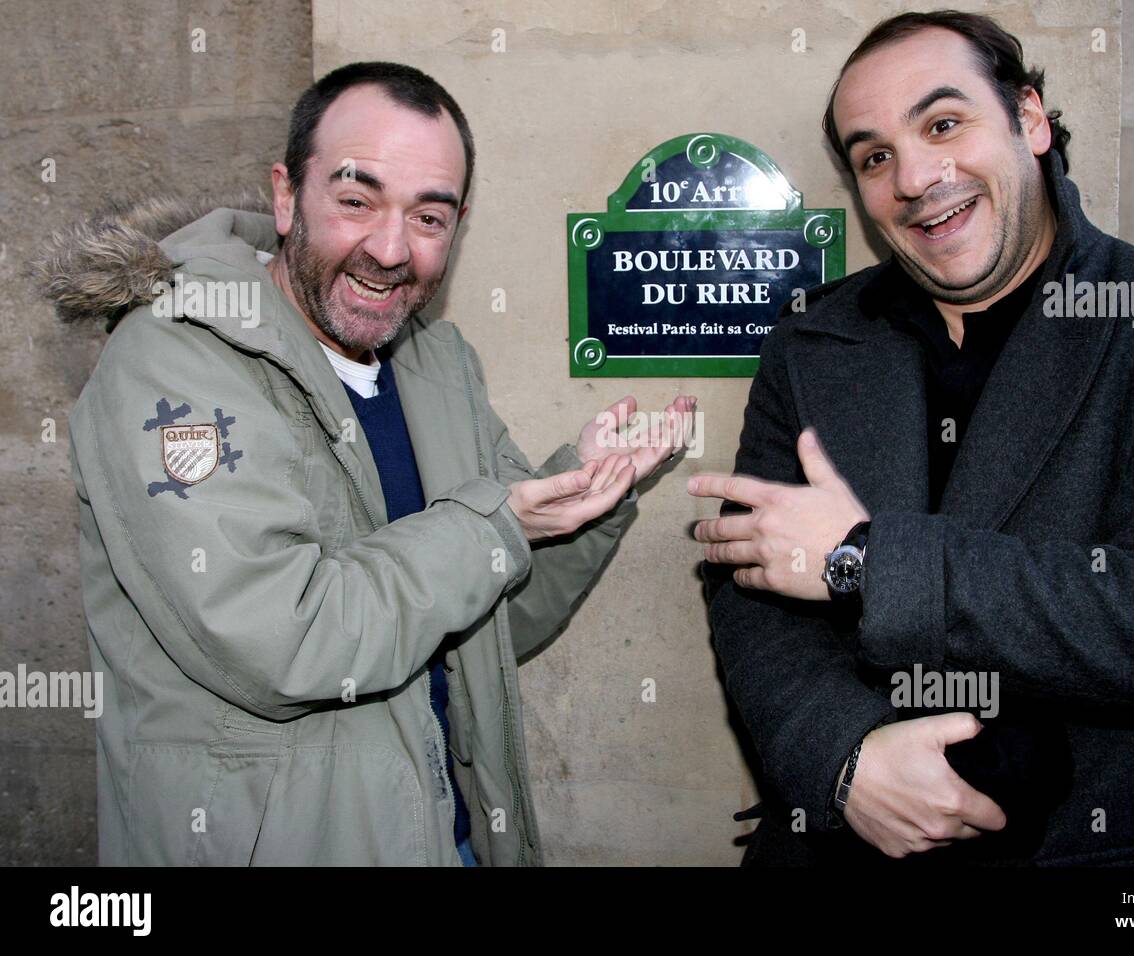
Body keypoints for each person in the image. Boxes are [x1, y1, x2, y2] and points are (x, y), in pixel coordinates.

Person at [42, 61, 694, 866]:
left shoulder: (436, 363)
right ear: (286, 197)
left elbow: (491, 626)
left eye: (429, 217)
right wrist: (496, 520)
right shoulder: (172, 360)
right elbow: (286, 642)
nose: (391, 250)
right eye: (357, 201)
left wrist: (586, 497)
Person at [690, 10, 1134, 866]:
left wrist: (864, 559)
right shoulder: (814, 345)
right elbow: (749, 585)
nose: (915, 177)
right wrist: (844, 761)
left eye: (944, 123)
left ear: (1031, 119)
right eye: (874, 156)